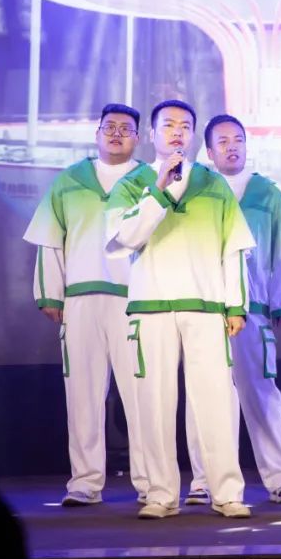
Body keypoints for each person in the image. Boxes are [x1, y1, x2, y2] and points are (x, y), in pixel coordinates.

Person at [105, 99, 255, 520]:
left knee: (216, 402)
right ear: (152, 134)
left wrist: (236, 305)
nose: (176, 132)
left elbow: (234, 248)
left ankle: (226, 492)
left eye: (185, 126)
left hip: (205, 306)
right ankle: (161, 494)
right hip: (151, 307)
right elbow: (122, 239)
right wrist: (158, 189)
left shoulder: (213, 183)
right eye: (168, 125)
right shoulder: (133, 183)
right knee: (153, 403)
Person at [23, 103, 148, 507]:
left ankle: (151, 483)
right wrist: (49, 293)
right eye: (110, 127)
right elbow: (49, 240)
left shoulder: (150, 179)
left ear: (138, 138)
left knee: (142, 394)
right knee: (82, 394)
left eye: (125, 128)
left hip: (136, 302)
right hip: (80, 299)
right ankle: (85, 482)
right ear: (97, 134)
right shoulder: (69, 180)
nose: (117, 133)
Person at [183, 114, 281, 505]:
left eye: (238, 139)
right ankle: (203, 480)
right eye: (222, 141)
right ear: (209, 149)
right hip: (206, 308)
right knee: (204, 396)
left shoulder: (266, 192)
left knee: (261, 393)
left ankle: (280, 479)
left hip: (253, 309)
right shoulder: (196, 188)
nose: (231, 146)